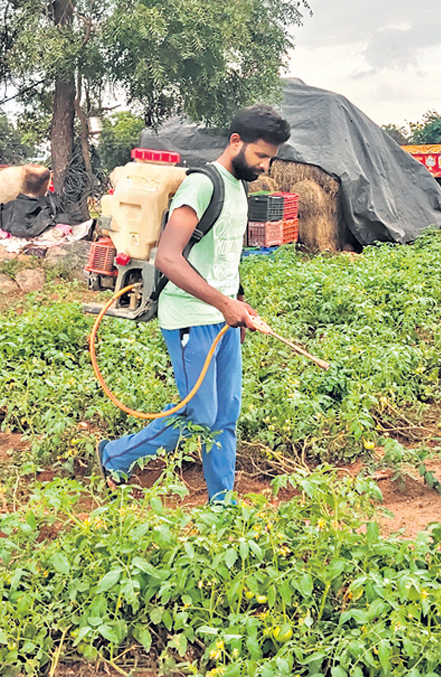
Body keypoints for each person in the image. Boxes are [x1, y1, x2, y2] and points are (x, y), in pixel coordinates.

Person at [97, 105, 291, 503]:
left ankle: (222, 502)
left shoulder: (240, 187)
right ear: (236, 142)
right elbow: (169, 257)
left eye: (270, 158)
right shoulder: (202, 185)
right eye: (260, 156)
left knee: (226, 416)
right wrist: (223, 303)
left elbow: (223, 257)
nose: (266, 166)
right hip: (189, 317)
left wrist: (239, 303)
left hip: (224, 319)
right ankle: (115, 455)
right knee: (197, 416)